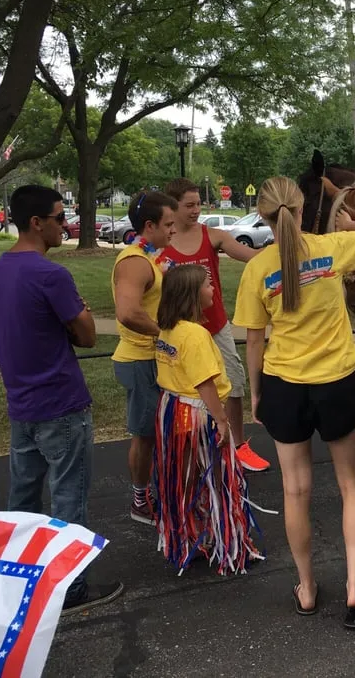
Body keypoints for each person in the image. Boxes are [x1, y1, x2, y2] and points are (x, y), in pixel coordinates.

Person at [233, 176, 355, 630]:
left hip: (284, 385)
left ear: (262, 217)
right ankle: (354, 587)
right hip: (337, 382)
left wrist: (257, 393)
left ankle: (308, 587)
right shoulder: (332, 247)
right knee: (351, 486)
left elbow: (253, 342)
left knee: (295, 492)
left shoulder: (258, 269)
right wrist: (346, 222)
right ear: (301, 211)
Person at [0, 184, 123, 614]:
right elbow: (87, 335)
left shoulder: (1, 268)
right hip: (62, 404)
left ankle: (18, 580)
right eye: (60, 218)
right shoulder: (51, 275)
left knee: (23, 500)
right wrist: (79, 315)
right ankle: (71, 590)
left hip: (22, 404)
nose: (65, 225)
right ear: (36, 223)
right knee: (69, 499)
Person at [153, 263, 262, 575]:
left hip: (172, 409)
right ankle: (230, 544)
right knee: (218, 478)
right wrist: (222, 421)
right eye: (208, 284)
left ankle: (185, 537)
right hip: (198, 414)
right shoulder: (196, 334)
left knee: (184, 479)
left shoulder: (169, 329)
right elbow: (205, 384)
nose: (214, 289)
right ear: (192, 294)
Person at [159, 178, 270, 473]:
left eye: (198, 204)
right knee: (185, 391)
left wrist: (285, 246)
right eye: (189, 205)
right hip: (182, 332)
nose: (196, 210)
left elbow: (254, 258)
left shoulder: (213, 236)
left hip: (216, 325)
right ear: (173, 206)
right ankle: (192, 448)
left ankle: (238, 445)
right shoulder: (161, 244)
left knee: (233, 382)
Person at [111, 189, 178, 524]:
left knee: (162, 432)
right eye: (168, 224)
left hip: (156, 358)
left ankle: (165, 493)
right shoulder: (135, 262)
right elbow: (127, 312)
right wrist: (166, 335)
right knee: (146, 435)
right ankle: (140, 500)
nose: (173, 230)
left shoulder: (150, 255)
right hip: (141, 361)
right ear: (149, 226)